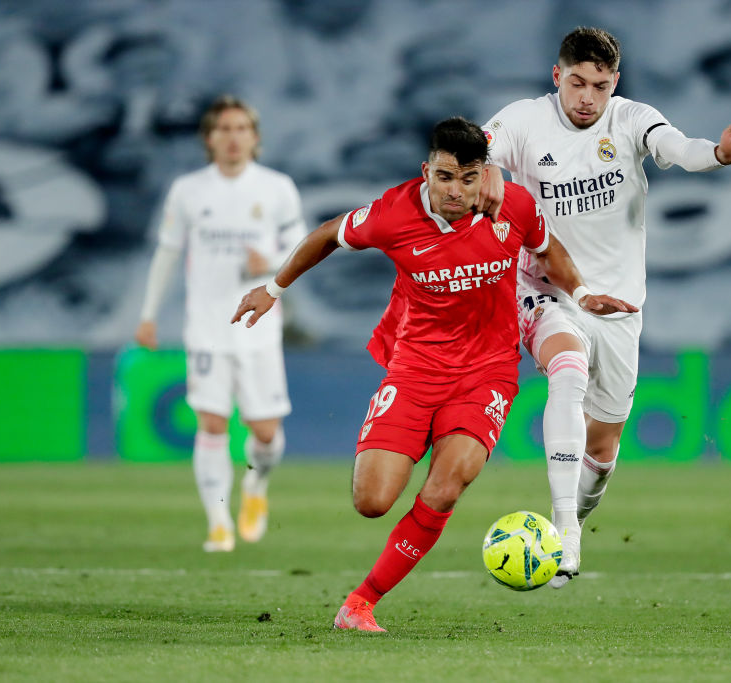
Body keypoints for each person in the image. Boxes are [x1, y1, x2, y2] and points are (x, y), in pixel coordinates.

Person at [231, 117, 635, 632]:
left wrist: (579, 295)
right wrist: (274, 289)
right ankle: (399, 443)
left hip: (487, 370)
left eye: (469, 178)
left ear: (483, 175)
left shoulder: (512, 206)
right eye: (445, 177)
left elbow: (546, 247)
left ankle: (360, 604)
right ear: (427, 172)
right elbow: (328, 235)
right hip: (417, 365)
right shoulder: (392, 213)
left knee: (445, 488)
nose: (456, 191)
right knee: (372, 501)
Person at [477, 26, 731, 587]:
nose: (588, 97)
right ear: (557, 76)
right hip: (547, 289)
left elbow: (677, 148)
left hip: (620, 306)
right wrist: (486, 164)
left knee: (604, 444)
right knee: (566, 371)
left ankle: (577, 516)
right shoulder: (524, 119)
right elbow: (482, 145)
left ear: (616, 84)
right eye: (578, 82)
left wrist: (718, 154)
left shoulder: (631, 119)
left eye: (601, 85)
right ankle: (564, 530)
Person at [135, 95, 307, 552]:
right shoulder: (188, 190)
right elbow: (168, 252)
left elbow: (303, 251)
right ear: (209, 139)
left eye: (241, 129)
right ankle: (218, 522)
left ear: (255, 137)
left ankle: (255, 489)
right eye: (224, 129)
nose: (233, 138)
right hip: (207, 329)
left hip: (258, 329)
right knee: (211, 425)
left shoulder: (277, 188)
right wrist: (148, 314)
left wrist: (268, 260)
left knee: (265, 433)